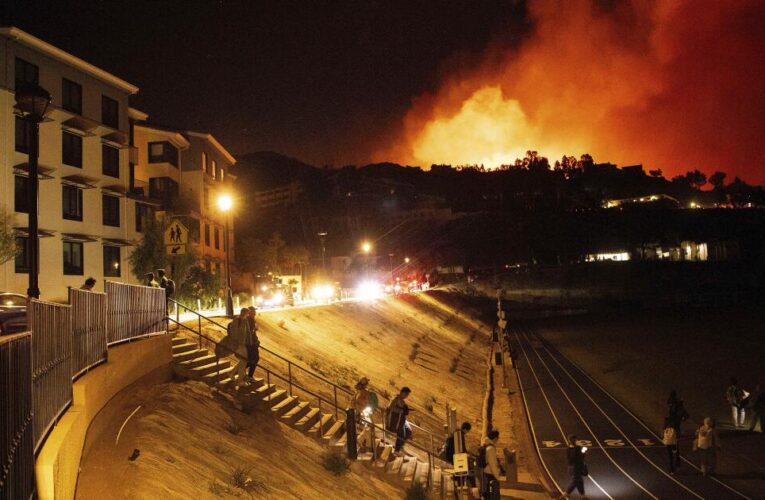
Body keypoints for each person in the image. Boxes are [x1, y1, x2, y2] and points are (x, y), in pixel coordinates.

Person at [227, 308, 252, 388]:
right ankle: (239, 380)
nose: (248, 315)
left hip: (243, 344)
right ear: (244, 313)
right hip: (237, 344)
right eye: (247, 313)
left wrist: (250, 343)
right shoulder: (236, 321)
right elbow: (232, 333)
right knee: (244, 361)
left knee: (243, 361)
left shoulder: (245, 321)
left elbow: (248, 332)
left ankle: (232, 373)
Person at [560, 434, 587, 499]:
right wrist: (583, 451)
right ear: (574, 440)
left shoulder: (568, 448)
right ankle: (565, 495)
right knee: (575, 481)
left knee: (580, 481)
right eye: (576, 439)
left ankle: (583, 496)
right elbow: (580, 457)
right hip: (576, 467)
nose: (576, 441)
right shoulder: (577, 448)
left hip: (571, 467)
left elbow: (570, 458)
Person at [386, 387, 411, 454]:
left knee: (408, 431)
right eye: (406, 394)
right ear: (402, 393)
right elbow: (390, 407)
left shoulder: (401, 400)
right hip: (396, 421)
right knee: (401, 435)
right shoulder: (395, 399)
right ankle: (397, 450)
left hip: (401, 420)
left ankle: (400, 447)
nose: (406, 396)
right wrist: (401, 410)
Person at [480, 429, 502, 500]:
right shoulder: (491, 449)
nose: (497, 440)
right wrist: (497, 476)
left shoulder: (486, 445)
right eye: (497, 438)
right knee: (492, 495)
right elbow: (492, 464)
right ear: (495, 438)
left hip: (486, 473)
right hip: (490, 474)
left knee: (487, 493)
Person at [244, 307, 260, 381]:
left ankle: (248, 375)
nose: (255, 313)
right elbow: (249, 333)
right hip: (250, 344)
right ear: (249, 312)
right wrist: (254, 329)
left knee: (254, 359)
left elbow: (253, 333)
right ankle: (239, 371)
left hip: (253, 343)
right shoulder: (248, 320)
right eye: (253, 311)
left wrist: (256, 340)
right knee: (254, 359)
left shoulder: (252, 319)